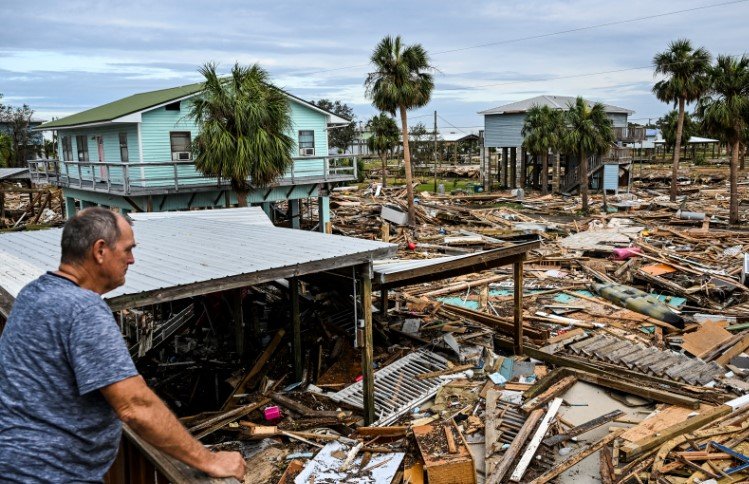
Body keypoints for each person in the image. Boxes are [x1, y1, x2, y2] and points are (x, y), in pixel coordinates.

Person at [0, 207, 246, 482]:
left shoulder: (33, 293)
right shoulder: (83, 310)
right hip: (50, 475)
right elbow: (135, 406)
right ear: (100, 250)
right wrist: (209, 460)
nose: (132, 259)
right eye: (127, 249)